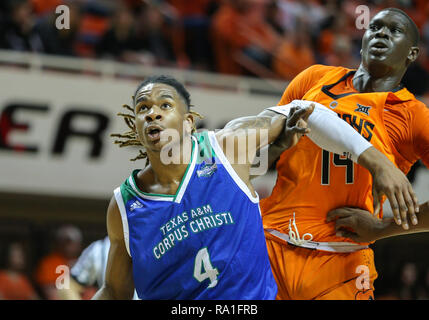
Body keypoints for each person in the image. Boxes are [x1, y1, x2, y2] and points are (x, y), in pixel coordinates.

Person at [92, 75, 417, 300]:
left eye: (165, 106)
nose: (153, 115)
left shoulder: (228, 147)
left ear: (188, 121)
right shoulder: (124, 205)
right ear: (135, 126)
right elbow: (114, 290)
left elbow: (307, 110)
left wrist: (379, 163)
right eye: (142, 108)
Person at [260, 7, 429, 300]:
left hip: (341, 261)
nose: (382, 33)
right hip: (269, 245)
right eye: (374, 27)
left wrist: (382, 228)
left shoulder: (413, 115)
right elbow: (260, 155)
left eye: (394, 30)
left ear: (412, 54)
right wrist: (275, 145)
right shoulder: (313, 78)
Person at [34, 225, 82, 300]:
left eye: (70, 242)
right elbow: (49, 291)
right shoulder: (49, 263)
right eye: (64, 242)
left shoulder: (83, 262)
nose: (67, 246)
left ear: (78, 244)